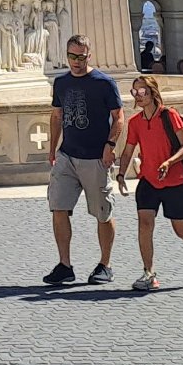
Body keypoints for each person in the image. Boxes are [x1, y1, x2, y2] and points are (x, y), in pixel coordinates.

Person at [114, 76, 183, 292]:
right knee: (144, 224)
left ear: (152, 93)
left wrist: (169, 162)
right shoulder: (135, 122)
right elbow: (128, 150)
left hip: (175, 181)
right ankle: (149, 273)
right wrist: (121, 175)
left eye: (143, 92)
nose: (138, 97)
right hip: (148, 181)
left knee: (181, 229)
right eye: (135, 92)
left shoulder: (169, 116)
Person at [42, 33, 122, 286]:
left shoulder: (104, 83)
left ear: (89, 55)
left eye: (81, 56)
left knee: (102, 212)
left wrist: (110, 145)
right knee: (58, 207)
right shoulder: (61, 82)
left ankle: (105, 264)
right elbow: (56, 116)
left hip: (94, 158)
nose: (76, 61)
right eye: (72, 56)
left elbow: (119, 117)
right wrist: (52, 148)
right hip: (67, 155)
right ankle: (65, 265)